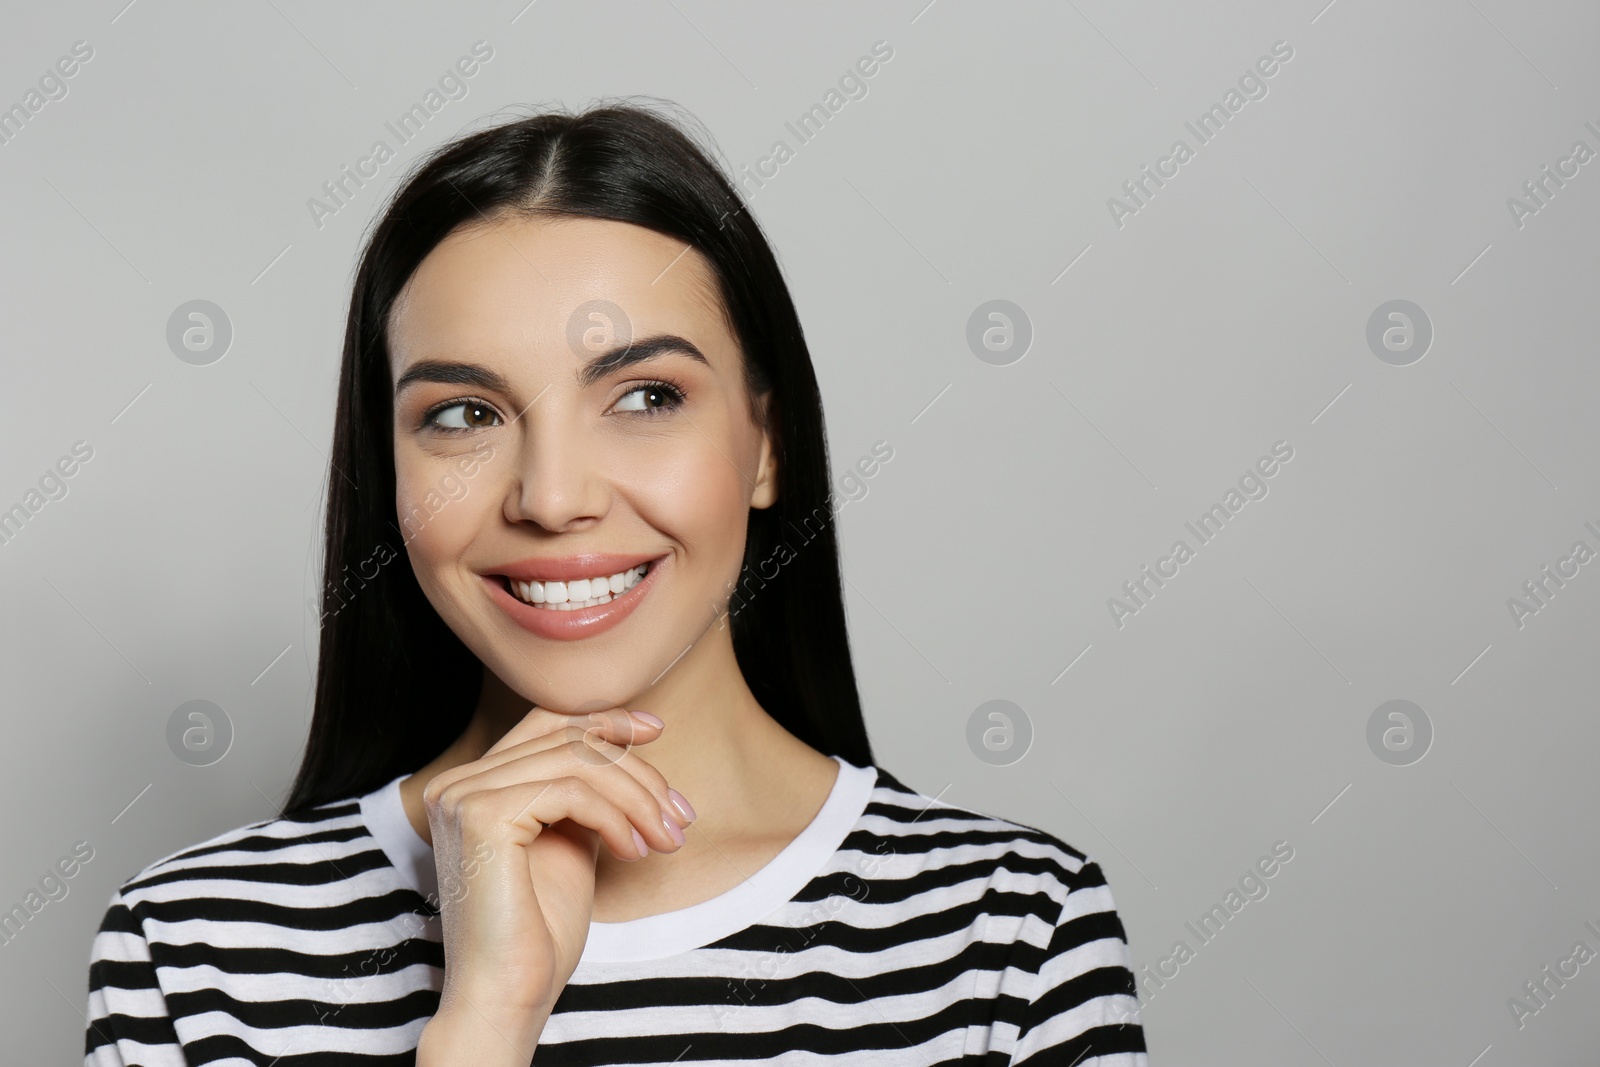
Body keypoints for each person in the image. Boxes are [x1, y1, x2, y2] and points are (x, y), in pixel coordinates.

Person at [84, 99, 1149, 1065]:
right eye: (464, 414)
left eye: (644, 396)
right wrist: (487, 1017)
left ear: (765, 442)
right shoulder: (195, 950)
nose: (551, 497)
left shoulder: (1009, 932)